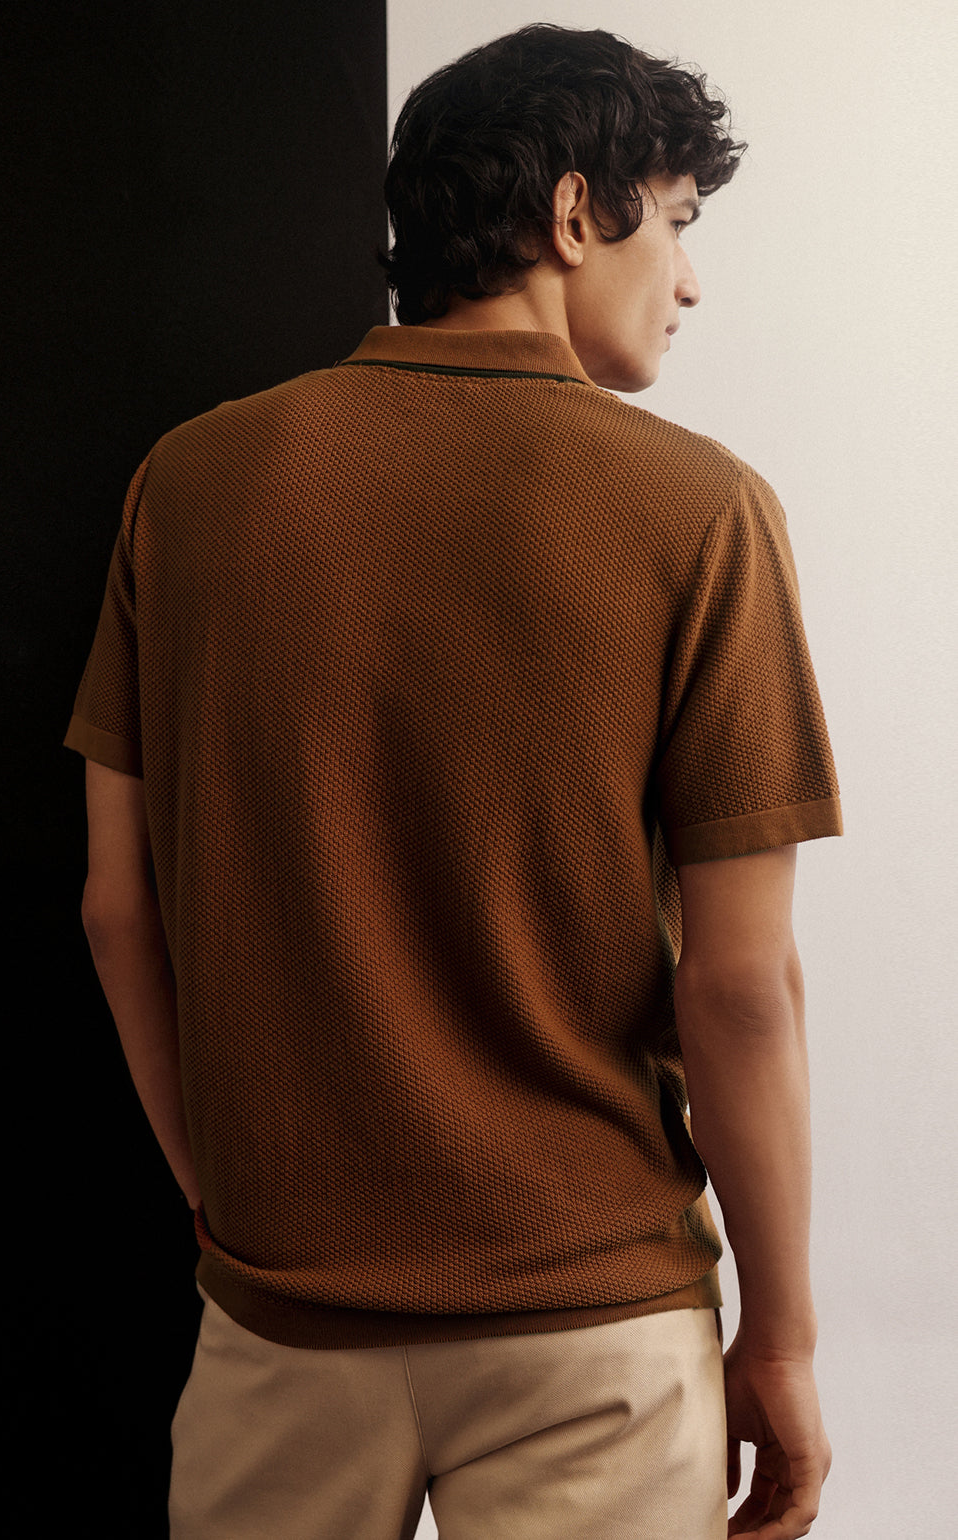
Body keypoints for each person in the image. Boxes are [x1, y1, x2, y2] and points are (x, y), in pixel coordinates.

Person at [65, 23, 841, 1540]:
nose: (689, 281)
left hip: (280, 1320)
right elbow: (741, 989)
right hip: (595, 1328)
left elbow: (116, 911)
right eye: (677, 223)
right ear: (575, 213)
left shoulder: (188, 484)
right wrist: (788, 1344)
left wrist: (228, 1205)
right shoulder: (703, 513)